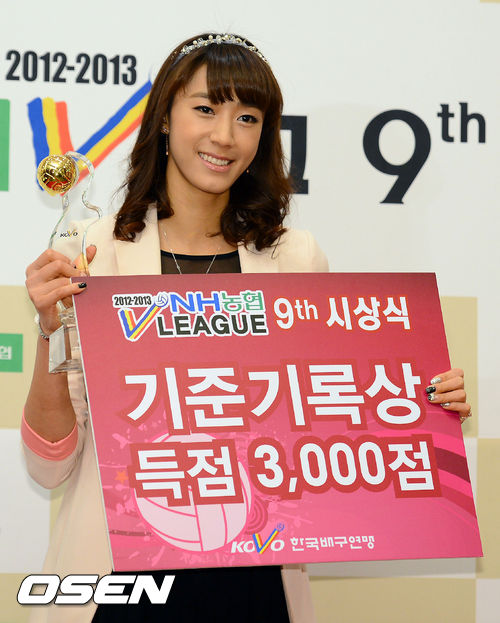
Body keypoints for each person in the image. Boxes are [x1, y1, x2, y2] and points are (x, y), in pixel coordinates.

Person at [22, 33, 472, 623]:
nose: (224, 136)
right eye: (206, 108)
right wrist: (49, 333)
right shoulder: (91, 252)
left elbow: (331, 414)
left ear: (263, 136)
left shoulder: (294, 258)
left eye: (247, 118)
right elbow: (50, 465)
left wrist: (421, 405)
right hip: (119, 576)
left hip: (255, 577)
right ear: (165, 118)